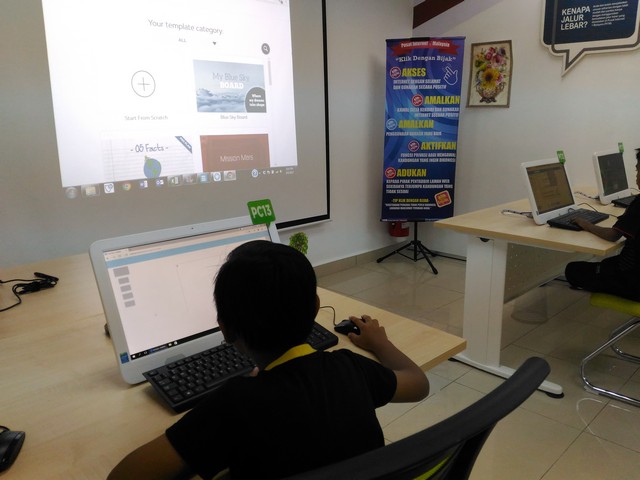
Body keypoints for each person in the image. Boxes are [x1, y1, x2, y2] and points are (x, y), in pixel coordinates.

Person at [108, 240, 430, 480]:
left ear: (225, 329)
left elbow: (123, 476)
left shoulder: (234, 405)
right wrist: (380, 343)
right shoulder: (351, 368)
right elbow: (418, 384)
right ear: (316, 307)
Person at [564, 149, 640, 301]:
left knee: (572, 269)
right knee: (606, 264)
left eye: (638, 170)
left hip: (632, 282)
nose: (636, 176)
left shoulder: (638, 205)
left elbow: (613, 235)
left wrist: (586, 224)